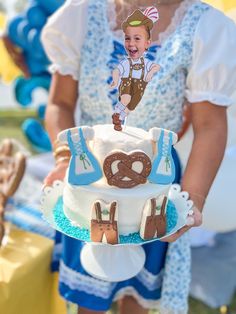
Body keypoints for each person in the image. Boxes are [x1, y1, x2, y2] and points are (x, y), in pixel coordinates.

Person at [41, 0, 236, 313]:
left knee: (138, 299)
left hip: (154, 190)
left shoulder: (203, 27)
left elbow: (210, 125)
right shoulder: (81, 15)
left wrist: (192, 200)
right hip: (90, 183)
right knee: (89, 298)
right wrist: (66, 159)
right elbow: (59, 104)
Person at [111, 7, 160, 130]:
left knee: (129, 108)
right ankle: (117, 112)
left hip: (139, 88)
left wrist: (151, 73)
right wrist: (116, 81)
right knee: (126, 98)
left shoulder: (146, 63)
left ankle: (119, 120)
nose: (131, 43)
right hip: (127, 83)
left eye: (137, 38)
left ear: (147, 43)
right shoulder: (126, 63)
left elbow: (156, 66)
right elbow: (117, 71)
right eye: (127, 38)